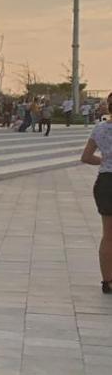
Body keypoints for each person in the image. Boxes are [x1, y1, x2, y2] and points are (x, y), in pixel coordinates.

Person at [82, 99, 112, 293]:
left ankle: (107, 281)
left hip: (105, 182)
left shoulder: (100, 129)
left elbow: (86, 157)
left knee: (108, 235)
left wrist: (104, 161)